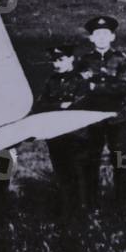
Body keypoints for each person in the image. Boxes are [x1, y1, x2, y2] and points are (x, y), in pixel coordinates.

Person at [77, 15, 126, 208]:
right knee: (91, 161)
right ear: (91, 38)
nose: (100, 37)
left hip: (116, 119)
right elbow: (81, 87)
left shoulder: (120, 59)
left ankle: (122, 206)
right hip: (93, 120)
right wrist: (106, 84)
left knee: (120, 161)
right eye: (96, 34)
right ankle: (91, 206)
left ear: (112, 37)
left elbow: (123, 87)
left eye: (105, 33)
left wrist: (94, 87)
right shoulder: (84, 61)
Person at [33, 44, 89, 212]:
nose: (56, 64)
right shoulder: (51, 81)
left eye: (61, 59)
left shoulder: (80, 80)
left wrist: (56, 106)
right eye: (53, 60)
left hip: (77, 137)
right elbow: (40, 104)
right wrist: (60, 105)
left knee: (79, 174)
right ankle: (67, 210)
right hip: (56, 136)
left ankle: (83, 210)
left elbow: (82, 105)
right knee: (62, 173)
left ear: (71, 58)